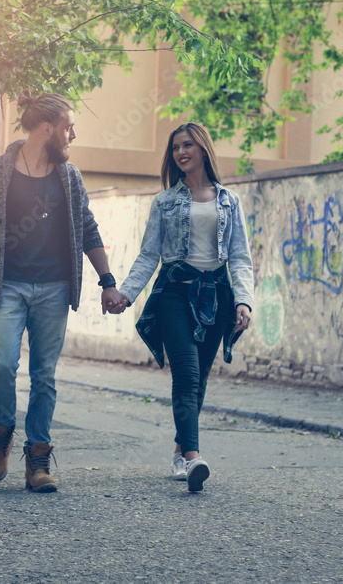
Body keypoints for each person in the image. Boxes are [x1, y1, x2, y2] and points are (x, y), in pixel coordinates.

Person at [0, 89, 124, 493]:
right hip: (7, 284)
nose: (72, 136)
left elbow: (87, 228)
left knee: (44, 374)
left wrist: (107, 281)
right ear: (47, 129)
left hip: (54, 286)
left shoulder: (69, 177)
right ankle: (1, 436)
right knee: (2, 365)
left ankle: (38, 460)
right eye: (68, 128)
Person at [109, 122, 254, 493]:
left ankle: (178, 449)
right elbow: (148, 255)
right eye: (175, 148)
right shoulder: (165, 201)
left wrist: (243, 300)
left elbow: (240, 257)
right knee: (187, 373)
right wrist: (125, 293)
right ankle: (193, 458)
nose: (180, 152)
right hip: (174, 292)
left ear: (203, 148)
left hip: (217, 295)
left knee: (200, 378)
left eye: (187, 145)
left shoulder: (228, 200)